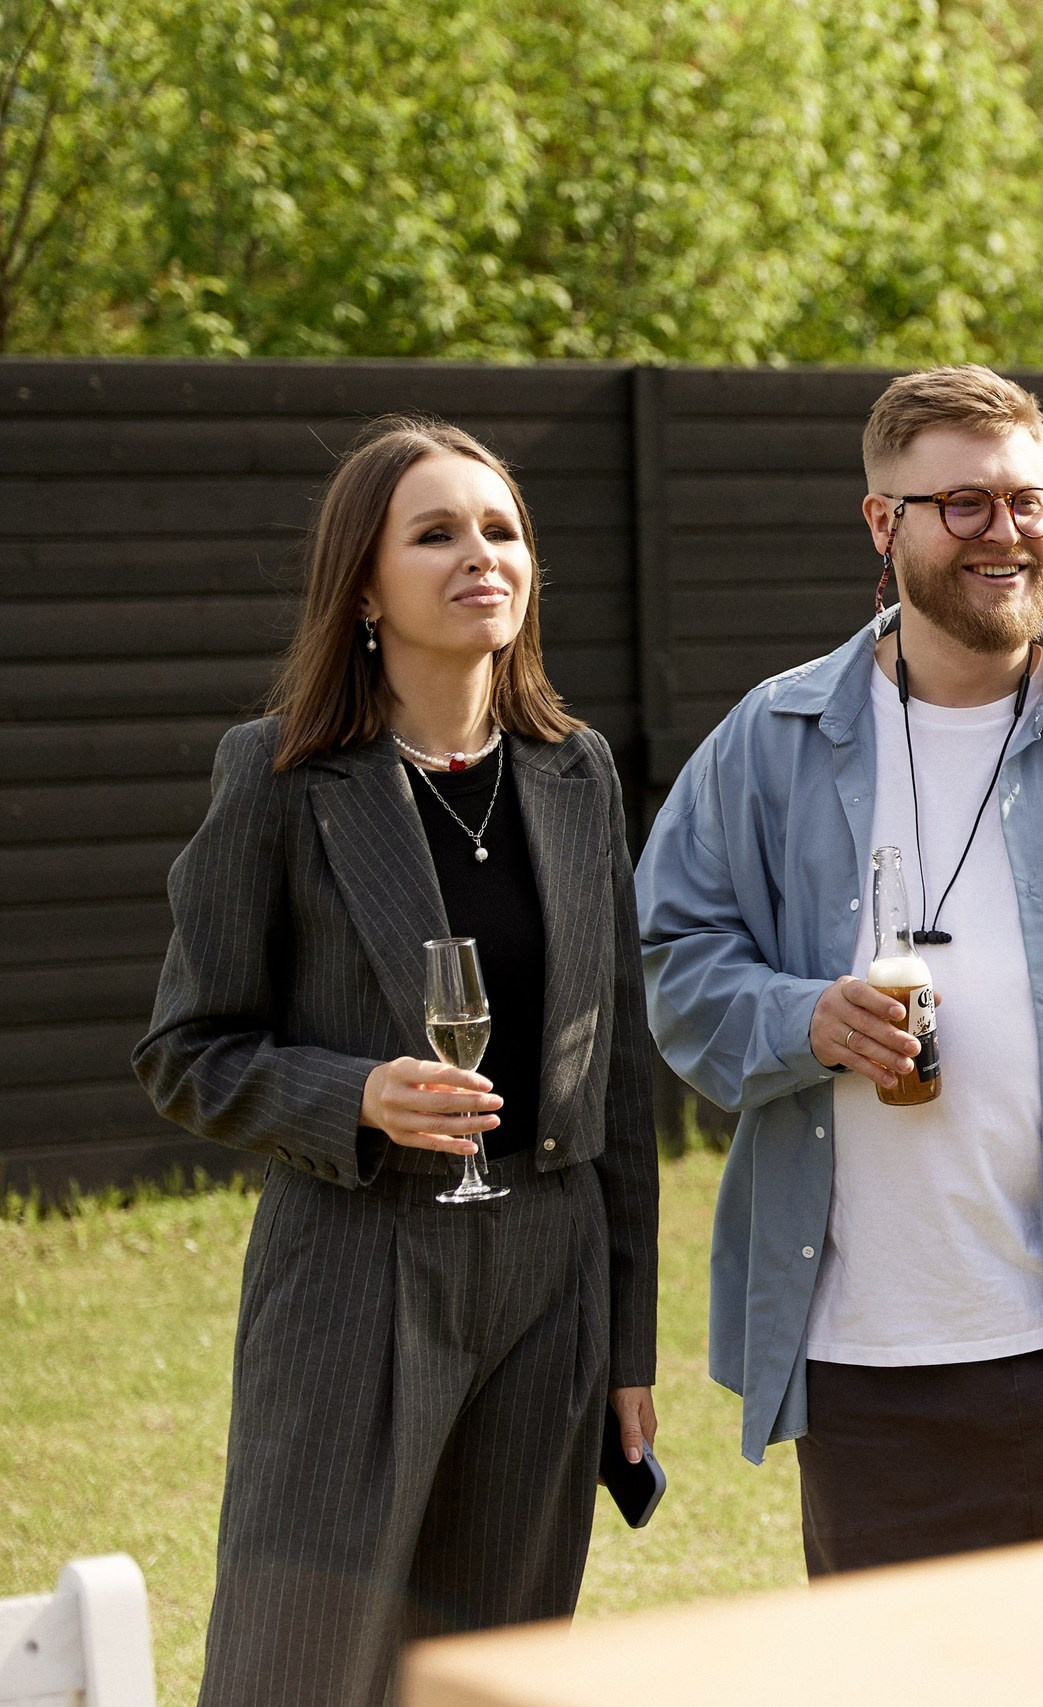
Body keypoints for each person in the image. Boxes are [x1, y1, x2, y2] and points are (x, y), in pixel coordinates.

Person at [638, 363, 1043, 1574]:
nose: (1007, 533)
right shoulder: (767, 742)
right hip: (873, 1383)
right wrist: (800, 1020)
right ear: (884, 523)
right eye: (964, 504)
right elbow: (669, 955)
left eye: (1029, 501)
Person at [133, 417, 660, 1706]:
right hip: (356, 1274)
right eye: (435, 533)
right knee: (296, 1665)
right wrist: (352, 1095)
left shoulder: (575, 772)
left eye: (502, 529)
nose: (481, 554)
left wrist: (627, 1345)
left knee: (493, 1668)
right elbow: (184, 1050)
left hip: (550, 1281)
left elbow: (622, 1081)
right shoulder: (276, 774)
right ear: (363, 585)